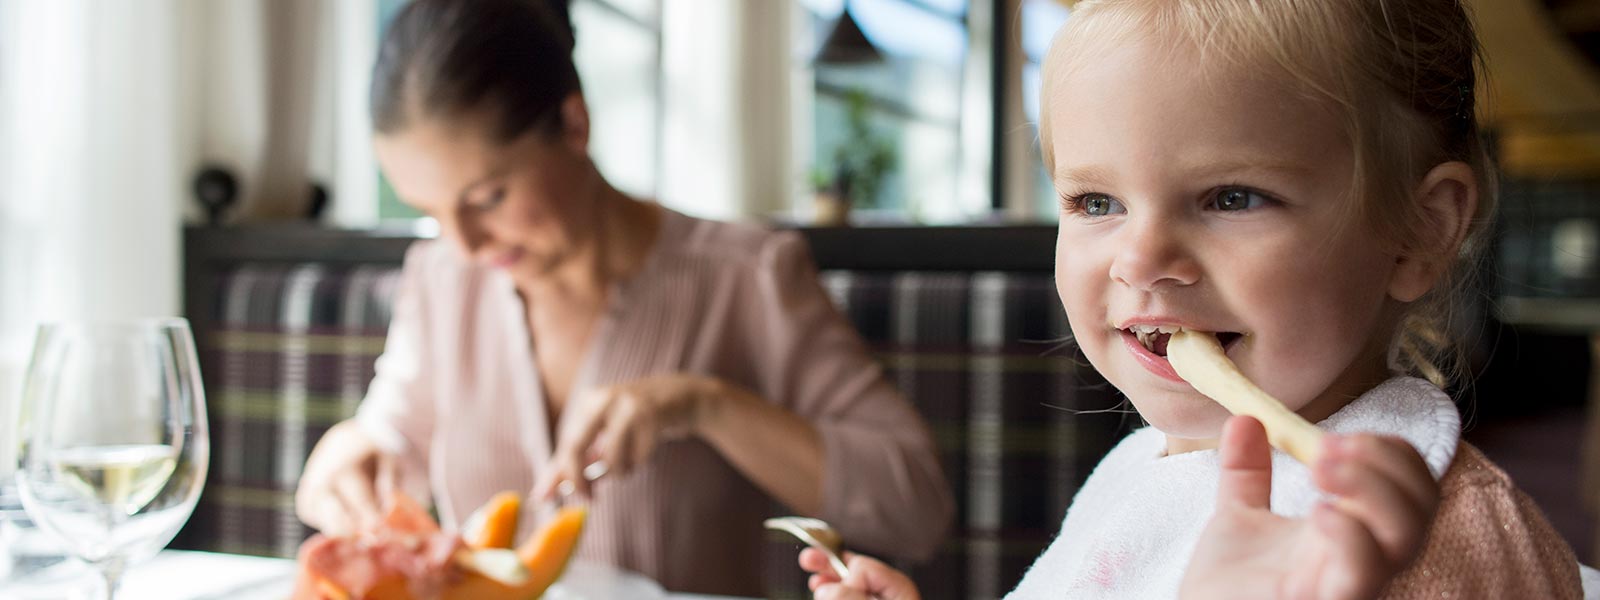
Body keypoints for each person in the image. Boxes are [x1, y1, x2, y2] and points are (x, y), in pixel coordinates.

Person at [800, 0, 1584, 598]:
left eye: (1232, 197)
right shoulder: (1148, 468)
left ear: (1416, 233)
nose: (1142, 259)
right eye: (1096, 203)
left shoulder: (1445, 543)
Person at [292, 0, 952, 595]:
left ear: (574, 124)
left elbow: (917, 508)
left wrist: (705, 405)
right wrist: (349, 452)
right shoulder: (440, 279)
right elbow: (391, 434)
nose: (464, 244)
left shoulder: (749, 276)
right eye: (431, 211)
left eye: (487, 197)